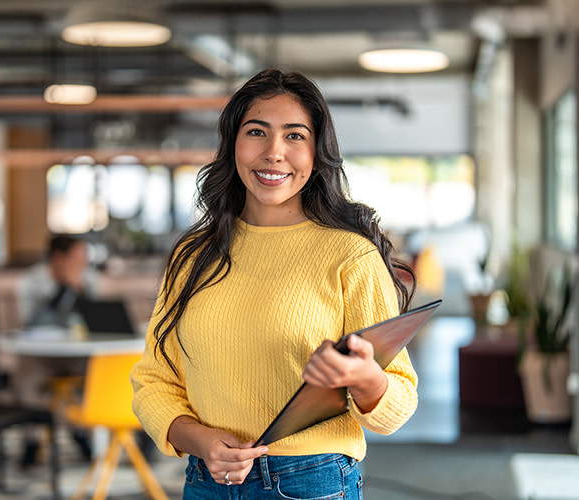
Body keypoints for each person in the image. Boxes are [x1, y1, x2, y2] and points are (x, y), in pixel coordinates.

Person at [130, 68, 418, 500]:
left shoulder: (350, 257)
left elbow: (398, 405)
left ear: (317, 152)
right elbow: (155, 382)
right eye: (257, 132)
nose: (273, 152)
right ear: (233, 146)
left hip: (312, 482)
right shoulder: (193, 256)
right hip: (206, 481)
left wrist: (364, 379)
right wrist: (200, 440)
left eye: (295, 136)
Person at [11, 234, 98, 466]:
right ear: (59, 257)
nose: (84, 263)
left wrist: (79, 291)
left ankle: (81, 431)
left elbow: (95, 320)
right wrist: (62, 290)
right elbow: (32, 322)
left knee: (97, 372)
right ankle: (31, 441)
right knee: (26, 373)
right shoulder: (30, 281)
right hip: (40, 354)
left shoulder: (88, 279)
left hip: (76, 353)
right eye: (78, 257)